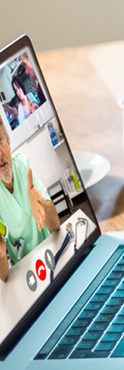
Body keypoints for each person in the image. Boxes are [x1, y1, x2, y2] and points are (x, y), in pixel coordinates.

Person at [0, 117, 60, 282]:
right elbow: (3, 276)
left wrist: (42, 207)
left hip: (49, 252)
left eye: (0, 141)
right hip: (24, 272)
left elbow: (55, 225)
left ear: (8, 141)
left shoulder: (22, 166)